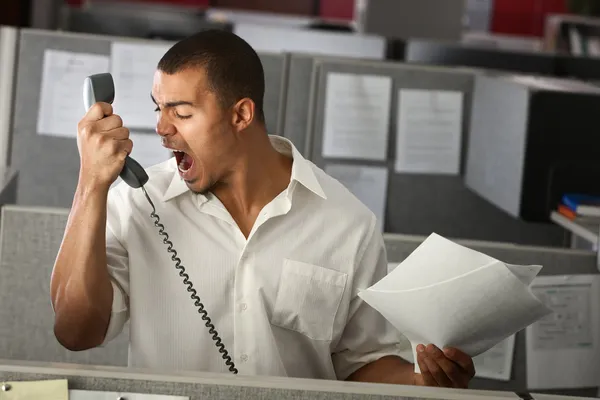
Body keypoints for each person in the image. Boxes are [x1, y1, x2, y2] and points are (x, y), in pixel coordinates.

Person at [50, 30, 475, 388]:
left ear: (241, 115)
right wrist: (91, 183)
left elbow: (363, 364)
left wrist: (423, 384)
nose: (161, 129)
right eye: (158, 109)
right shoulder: (138, 202)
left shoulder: (347, 222)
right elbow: (74, 331)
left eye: (180, 112)